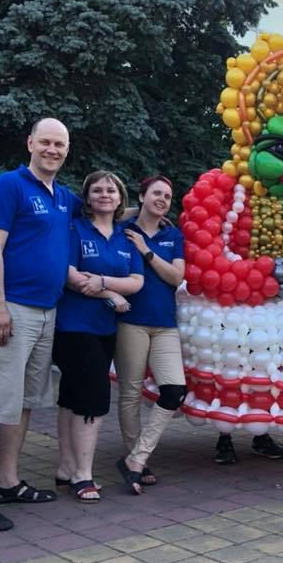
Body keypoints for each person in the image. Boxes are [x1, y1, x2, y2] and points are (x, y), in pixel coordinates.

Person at [0, 118, 80, 531]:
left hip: (47, 313)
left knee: (25, 401)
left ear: (66, 150)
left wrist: (145, 214)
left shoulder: (63, 197)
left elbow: (105, 211)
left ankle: (6, 482)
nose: (52, 150)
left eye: (59, 144)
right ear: (30, 143)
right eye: (45, 142)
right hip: (11, 309)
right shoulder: (9, 185)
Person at [52, 171, 143, 501]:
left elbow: (136, 281)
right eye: (97, 190)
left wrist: (103, 283)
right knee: (93, 396)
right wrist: (109, 294)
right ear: (87, 198)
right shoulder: (75, 229)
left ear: (120, 198)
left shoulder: (125, 237)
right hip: (73, 326)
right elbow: (68, 274)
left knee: (72, 396)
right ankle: (82, 475)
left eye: (111, 190)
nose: (105, 194)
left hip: (106, 329)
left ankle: (66, 469)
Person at [113, 175, 187, 495]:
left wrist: (146, 250)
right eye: (156, 193)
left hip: (164, 323)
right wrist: (134, 215)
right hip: (130, 320)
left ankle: (136, 458)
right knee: (130, 393)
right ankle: (136, 461)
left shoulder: (173, 234)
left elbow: (176, 276)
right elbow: (104, 214)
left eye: (167, 196)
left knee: (174, 390)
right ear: (141, 196)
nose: (162, 200)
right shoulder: (123, 229)